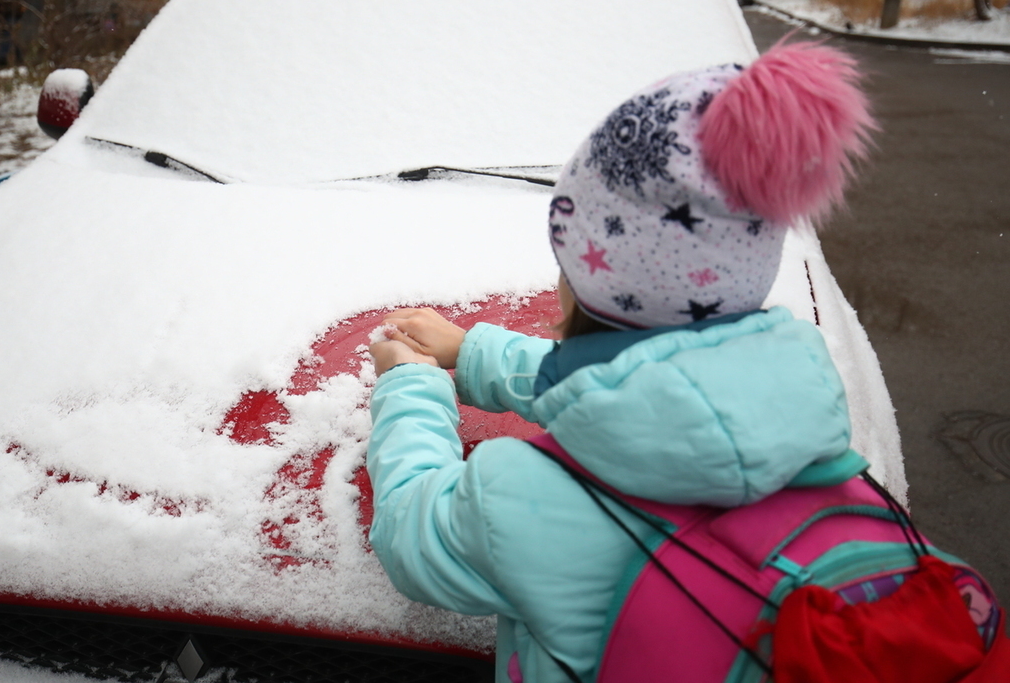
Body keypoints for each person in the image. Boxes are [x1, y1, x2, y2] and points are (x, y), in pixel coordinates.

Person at [365, 43, 891, 682]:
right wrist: (475, 352)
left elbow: (409, 531)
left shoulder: (528, 500)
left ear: (589, 283)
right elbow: (648, 397)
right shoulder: (809, 424)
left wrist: (409, 383)